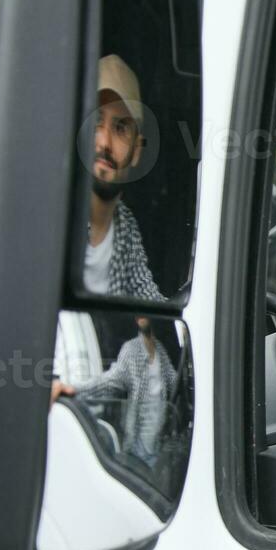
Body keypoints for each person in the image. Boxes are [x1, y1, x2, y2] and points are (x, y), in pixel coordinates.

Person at [84, 54, 163, 301]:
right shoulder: (50, 214)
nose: (105, 143)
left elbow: (149, 301)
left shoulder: (125, 226)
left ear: (136, 151)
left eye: (120, 128)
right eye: (96, 122)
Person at [52, 318, 177, 468]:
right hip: (138, 446)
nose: (144, 319)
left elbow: (173, 380)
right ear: (137, 320)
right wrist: (73, 389)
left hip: (159, 442)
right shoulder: (132, 349)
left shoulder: (159, 349)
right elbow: (110, 381)